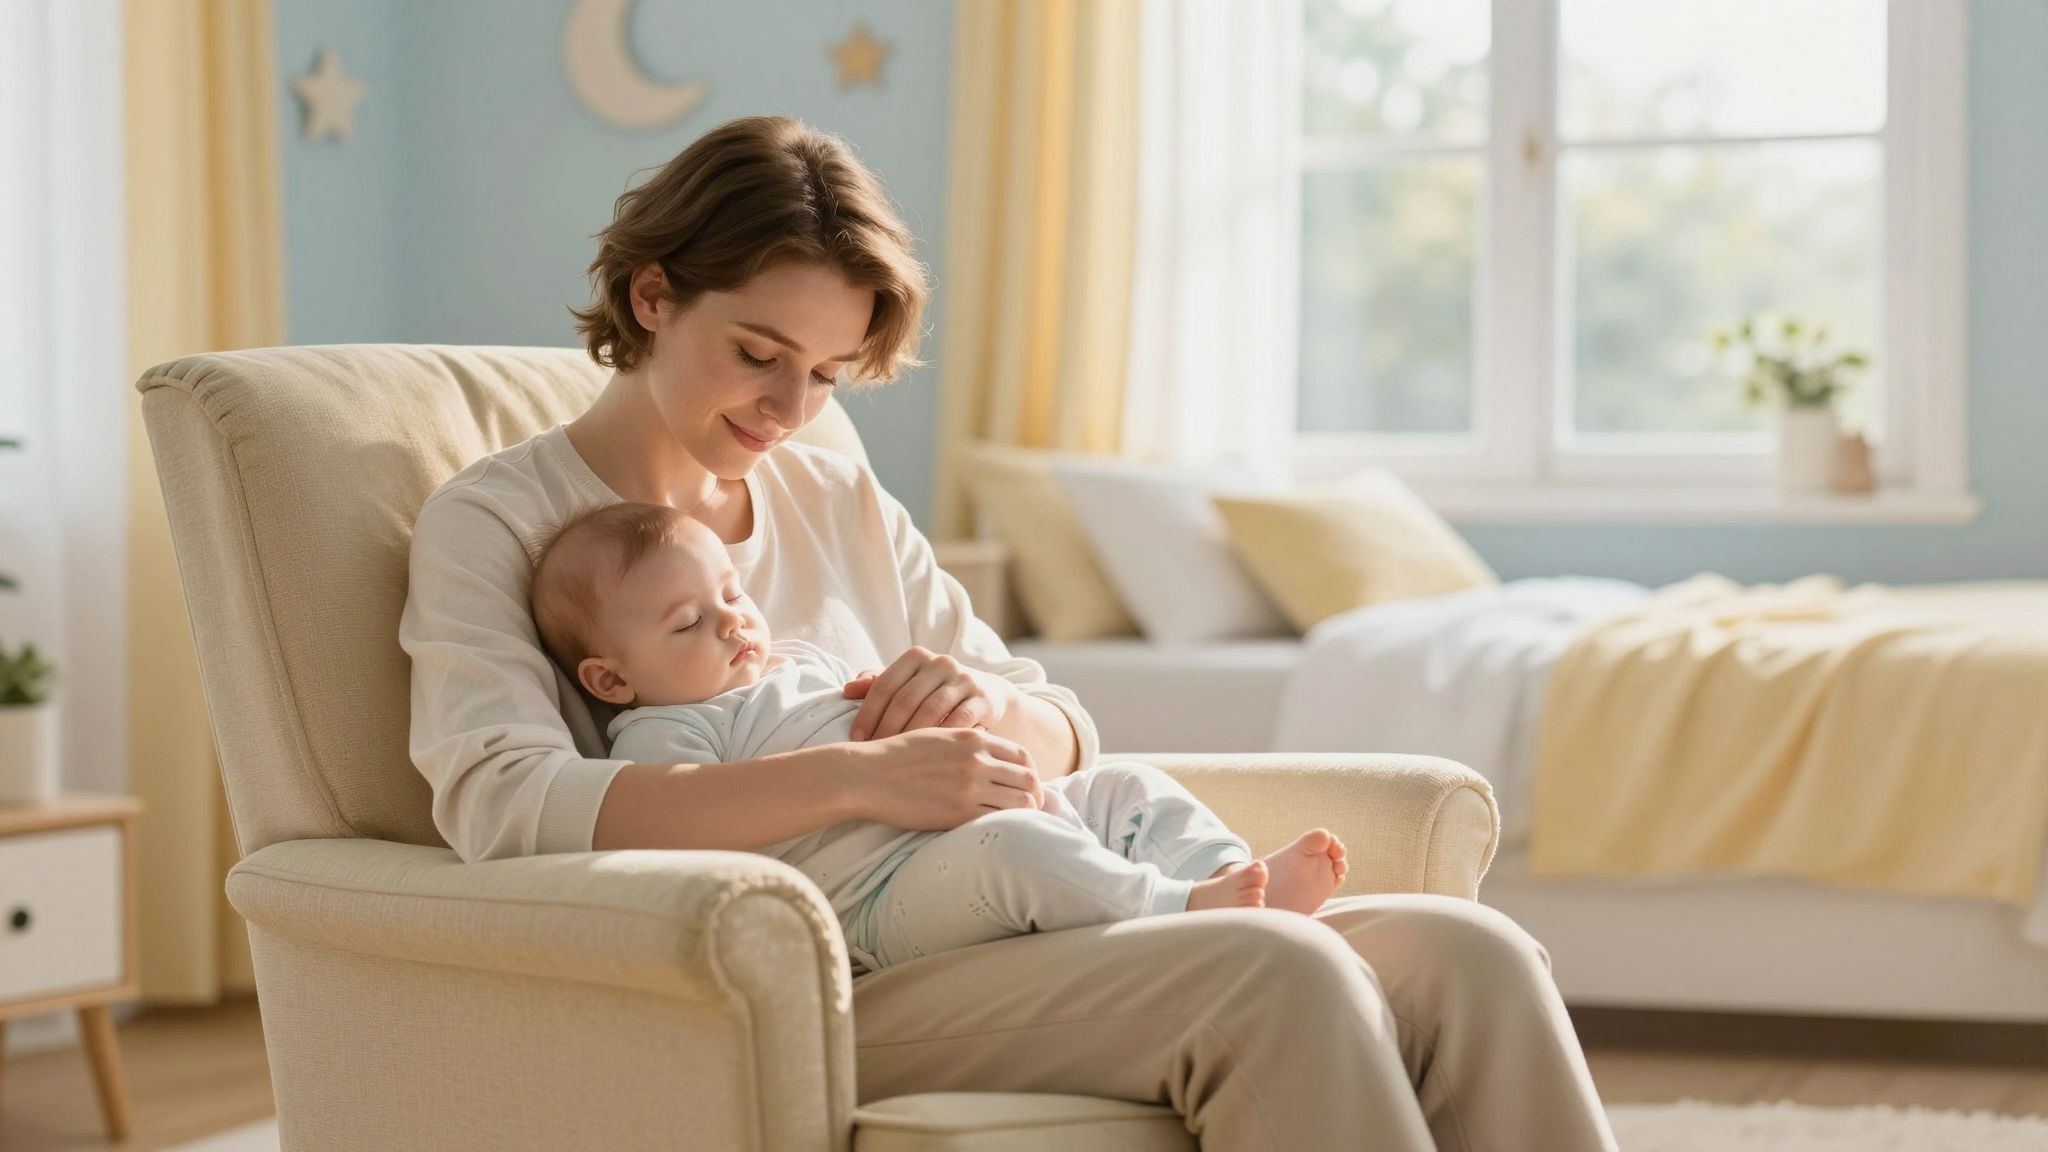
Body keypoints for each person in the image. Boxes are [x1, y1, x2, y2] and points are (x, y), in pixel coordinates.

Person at [398, 113, 1619, 1150]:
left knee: (1473, 954)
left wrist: (982, 713)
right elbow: (507, 809)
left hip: (1008, 919)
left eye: (824, 375)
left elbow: (1062, 723)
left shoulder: (832, 496)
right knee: (1277, 969)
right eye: (758, 355)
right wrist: (858, 775)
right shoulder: (501, 522)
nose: (789, 409)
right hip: (814, 974)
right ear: (651, 295)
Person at [526, 501, 1350, 972]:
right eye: (688, 622)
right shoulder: (662, 731)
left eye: (732, 593)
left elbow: (1055, 723)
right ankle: (1182, 907)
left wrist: (953, 705)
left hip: (1003, 802)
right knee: (1016, 853)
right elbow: (675, 829)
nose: (734, 621)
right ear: (610, 679)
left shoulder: (800, 660)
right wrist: (860, 770)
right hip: (889, 900)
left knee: (1123, 786)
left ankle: (1228, 872)